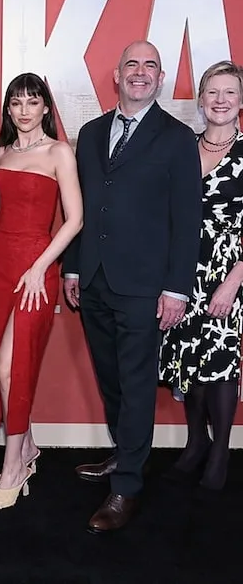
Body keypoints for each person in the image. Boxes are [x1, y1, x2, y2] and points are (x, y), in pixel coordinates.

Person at [62, 41, 201, 533]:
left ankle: (127, 489)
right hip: (95, 280)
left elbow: (188, 221)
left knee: (139, 382)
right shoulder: (93, 132)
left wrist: (177, 288)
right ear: (116, 76)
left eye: (150, 66)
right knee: (112, 379)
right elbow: (79, 211)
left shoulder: (178, 138)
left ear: (159, 79)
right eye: (131, 65)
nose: (140, 73)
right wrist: (73, 268)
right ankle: (124, 454)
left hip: (146, 287)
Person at [0, 73, 82, 510]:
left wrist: (41, 267)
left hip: (36, 270)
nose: (23, 110)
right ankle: (28, 449)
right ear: (8, 109)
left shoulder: (59, 152)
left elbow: (75, 219)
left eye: (32, 102)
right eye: (15, 102)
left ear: (45, 107)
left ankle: (13, 470)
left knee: (10, 368)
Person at [158, 60, 243, 492]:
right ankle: (195, 443)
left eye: (230, 92)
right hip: (181, 270)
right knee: (188, 355)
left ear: (241, 101)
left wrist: (232, 282)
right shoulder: (183, 147)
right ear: (201, 100)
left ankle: (221, 452)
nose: (221, 100)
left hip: (229, 270)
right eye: (213, 92)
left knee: (221, 361)